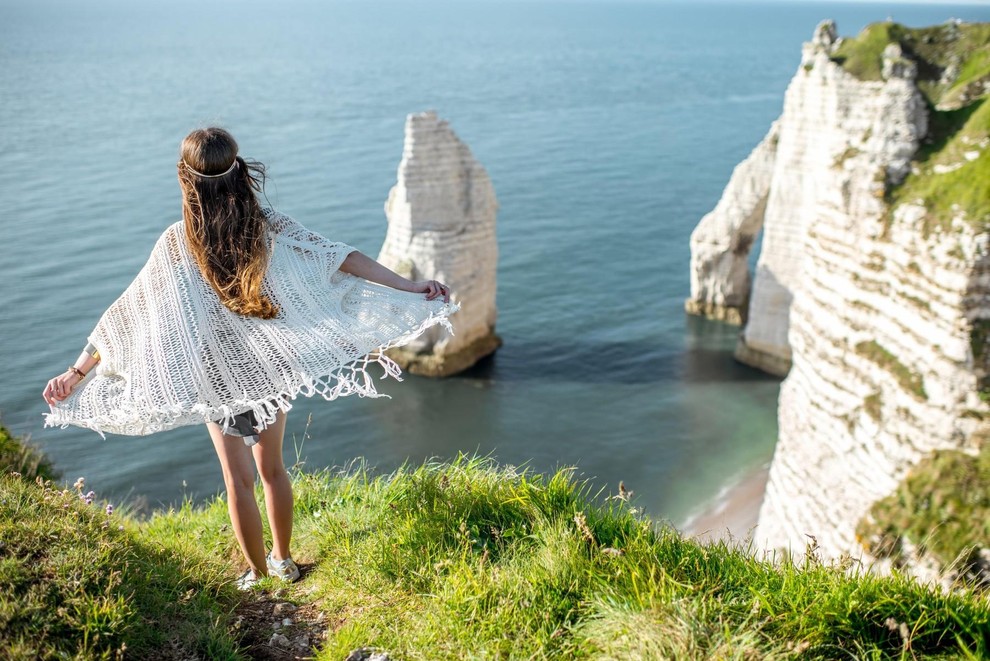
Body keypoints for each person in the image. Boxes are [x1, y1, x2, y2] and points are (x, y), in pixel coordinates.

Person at [43, 127, 456, 589]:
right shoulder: (264, 223)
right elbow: (337, 257)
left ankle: (256, 575)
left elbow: (126, 318)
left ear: (185, 179)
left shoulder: (177, 242)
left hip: (217, 378)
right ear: (238, 171)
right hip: (266, 371)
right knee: (273, 470)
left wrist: (76, 373)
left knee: (237, 480)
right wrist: (405, 286)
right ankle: (284, 561)